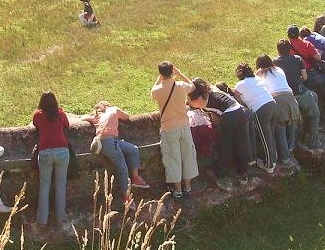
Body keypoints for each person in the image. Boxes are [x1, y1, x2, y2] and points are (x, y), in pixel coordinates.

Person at [285, 26, 325, 138]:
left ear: (288, 36)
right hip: (320, 75)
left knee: (313, 101)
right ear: (298, 34)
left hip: (307, 78)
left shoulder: (288, 48)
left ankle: (311, 132)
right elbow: (317, 57)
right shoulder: (306, 44)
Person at [150, 62, 198, 200]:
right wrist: (180, 74)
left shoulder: (158, 90)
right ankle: (188, 187)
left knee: (173, 158)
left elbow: (152, 91)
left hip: (169, 128)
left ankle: (178, 190)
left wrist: (159, 78)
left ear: (161, 73)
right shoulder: (181, 86)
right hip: (184, 126)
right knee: (188, 155)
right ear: (172, 72)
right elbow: (193, 86)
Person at [83, 101, 150, 199]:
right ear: (107, 105)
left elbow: (83, 118)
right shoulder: (114, 109)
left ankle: (136, 178)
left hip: (109, 141)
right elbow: (126, 116)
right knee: (123, 168)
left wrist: (92, 115)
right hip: (110, 142)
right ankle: (126, 198)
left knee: (133, 149)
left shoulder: (96, 116)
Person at [187, 79, 251, 179]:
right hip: (240, 111)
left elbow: (192, 104)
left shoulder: (199, 99)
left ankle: (222, 170)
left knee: (225, 144)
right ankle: (243, 169)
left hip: (229, 115)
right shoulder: (212, 91)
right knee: (240, 141)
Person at [32, 91, 70, 227]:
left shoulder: (38, 115)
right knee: (61, 185)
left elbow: (36, 126)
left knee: (44, 186)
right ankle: (61, 218)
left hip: (45, 152)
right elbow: (67, 125)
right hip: (62, 151)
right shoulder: (60, 114)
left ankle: (42, 220)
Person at [274, 39, 320, 148]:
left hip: (287, 95)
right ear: (290, 49)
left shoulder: (275, 61)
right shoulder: (297, 59)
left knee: (315, 96)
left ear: (278, 50)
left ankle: (298, 141)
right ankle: (313, 142)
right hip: (300, 92)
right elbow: (305, 77)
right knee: (315, 114)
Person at [254, 55, 301, 165]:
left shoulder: (260, 73)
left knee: (280, 129)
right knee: (292, 124)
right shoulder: (279, 69)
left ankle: (284, 157)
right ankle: (290, 150)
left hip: (276, 99)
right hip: (290, 97)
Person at [232, 62, 278, 173]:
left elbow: (237, 99)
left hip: (260, 109)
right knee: (271, 135)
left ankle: (269, 165)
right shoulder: (258, 79)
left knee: (265, 137)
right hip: (273, 104)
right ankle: (274, 159)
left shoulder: (240, 85)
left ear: (240, 73)